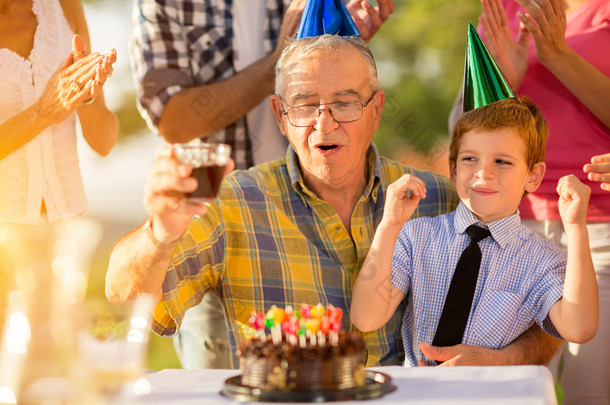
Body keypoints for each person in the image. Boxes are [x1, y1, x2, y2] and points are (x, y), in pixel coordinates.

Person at [107, 34, 562, 369]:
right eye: (304, 105)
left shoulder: (442, 198)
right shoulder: (233, 203)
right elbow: (124, 297)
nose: (324, 125)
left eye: (345, 103)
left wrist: (502, 359)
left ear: (377, 110)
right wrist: (159, 233)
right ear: (280, 117)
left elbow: (544, 314)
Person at [129, 0, 394, 368]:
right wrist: (282, 58)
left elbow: (335, 78)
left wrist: (340, 45)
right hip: (226, 219)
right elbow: (173, 118)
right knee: (226, 379)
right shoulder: (167, 4)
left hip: (321, 194)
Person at [351, 97, 597, 367]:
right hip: (420, 393)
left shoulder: (543, 261)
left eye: (502, 161)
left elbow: (579, 329)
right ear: (453, 168)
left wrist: (576, 229)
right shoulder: (417, 236)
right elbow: (365, 317)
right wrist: (390, 225)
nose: (483, 173)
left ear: (533, 176)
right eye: (470, 159)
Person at [448, 1, 610, 402]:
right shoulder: (505, 11)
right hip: (513, 235)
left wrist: (558, 56)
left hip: (600, 233)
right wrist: (502, 87)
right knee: (504, 391)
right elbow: (460, 133)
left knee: (590, 391)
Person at [0, 0, 118, 225]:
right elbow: (47, 110)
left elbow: (104, 143)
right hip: (6, 241)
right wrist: (42, 113)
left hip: (69, 229)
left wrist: (84, 92)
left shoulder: (66, 6)